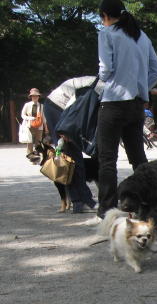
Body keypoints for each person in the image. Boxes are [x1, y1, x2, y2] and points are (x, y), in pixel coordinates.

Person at [88, 0, 157, 225]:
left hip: (113, 102)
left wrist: (99, 88)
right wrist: (141, 87)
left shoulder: (107, 33)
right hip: (137, 104)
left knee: (108, 159)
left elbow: (106, 69)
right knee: (138, 158)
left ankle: (107, 209)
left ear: (104, 15)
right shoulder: (142, 36)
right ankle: (149, 202)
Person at [43, 76, 105, 213]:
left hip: (64, 108)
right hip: (58, 108)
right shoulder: (100, 86)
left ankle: (78, 202)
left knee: (71, 157)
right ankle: (85, 200)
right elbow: (76, 105)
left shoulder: (106, 85)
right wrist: (65, 128)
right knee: (72, 157)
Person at [21, 88, 46, 161]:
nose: (35, 97)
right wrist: (29, 118)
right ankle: (31, 157)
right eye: (33, 96)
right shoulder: (27, 105)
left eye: (36, 96)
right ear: (31, 97)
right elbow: (22, 115)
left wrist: (46, 127)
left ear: (38, 97)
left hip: (39, 126)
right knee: (30, 142)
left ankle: (37, 157)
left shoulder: (41, 106)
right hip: (29, 125)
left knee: (38, 142)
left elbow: (43, 117)